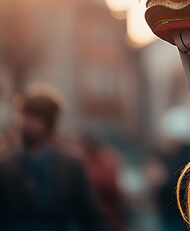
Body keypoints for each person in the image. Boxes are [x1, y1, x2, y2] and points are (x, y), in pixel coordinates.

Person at [0, 82, 109, 231]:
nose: (25, 124)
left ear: (47, 123)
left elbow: (90, 216)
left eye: (32, 119)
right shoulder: (5, 166)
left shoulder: (71, 168)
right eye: (23, 117)